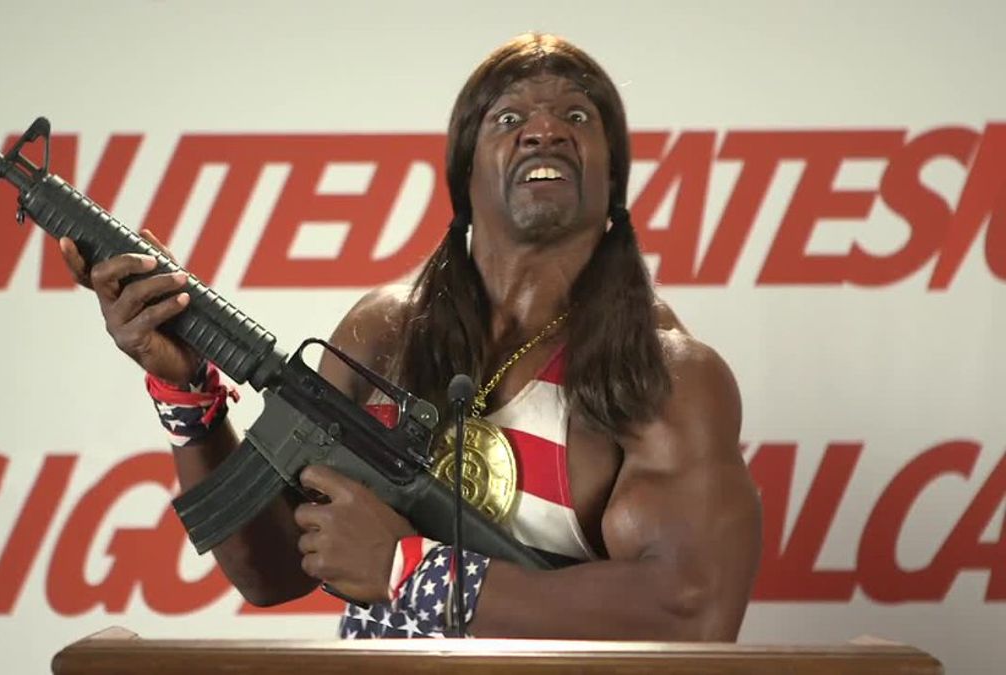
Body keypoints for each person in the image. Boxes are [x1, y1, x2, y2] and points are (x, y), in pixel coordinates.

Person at [59, 32, 761, 641]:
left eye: (576, 116)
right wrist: (187, 391)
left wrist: (410, 569)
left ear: (614, 177)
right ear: (464, 171)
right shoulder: (383, 334)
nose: (544, 130)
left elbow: (691, 610)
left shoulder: (665, 375)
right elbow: (271, 573)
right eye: (509, 117)